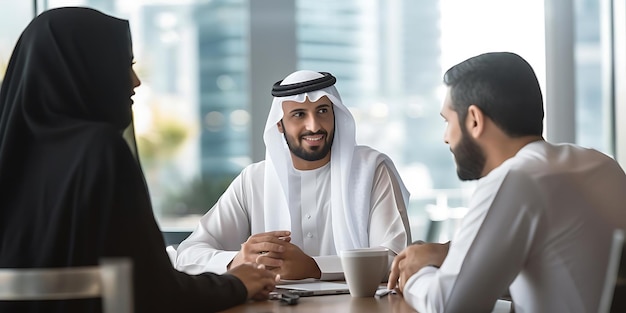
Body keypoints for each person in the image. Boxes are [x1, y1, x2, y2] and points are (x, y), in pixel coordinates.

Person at [0, 7, 278, 313]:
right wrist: (236, 283)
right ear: (88, 69)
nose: (135, 82)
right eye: (124, 65)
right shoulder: (100, 152)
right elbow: (152, 290)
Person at [387, 51, 626, 313]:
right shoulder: (603, 164)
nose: (446, 137)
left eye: (448, 121)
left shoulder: (517, 179)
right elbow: (562, 267)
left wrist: (415, 274)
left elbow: (449, 305)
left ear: (474, 120)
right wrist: (450, 255)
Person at [175, 70, 412, 280]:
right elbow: (187, 254)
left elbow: (397, 258)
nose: (313, 126)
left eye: (322, 111)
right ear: (279, 124)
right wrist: (236, 260)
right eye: (299, 114)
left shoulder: (371, 169)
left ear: (335, 115)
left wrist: (315, 267)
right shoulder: (254, 180)